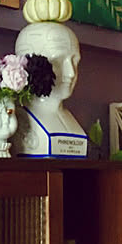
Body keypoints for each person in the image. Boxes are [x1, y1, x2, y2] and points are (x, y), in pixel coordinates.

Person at [13, 20, 87, 156]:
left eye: (75, 61)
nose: (71, 73)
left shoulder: (70, 119)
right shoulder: (19, 120)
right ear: (29, 65)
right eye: (57, 61)